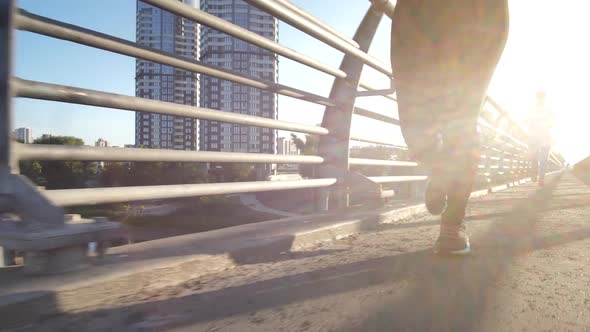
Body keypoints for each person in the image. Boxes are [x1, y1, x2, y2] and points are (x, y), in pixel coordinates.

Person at [390, 0, 510, 255]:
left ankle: (451, 226)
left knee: (463, 120)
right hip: (418, 12)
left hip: (480, 14)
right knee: (413, 114)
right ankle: (439, 169)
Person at [527, 91, 553, 186]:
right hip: (538, 136)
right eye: (539, 97)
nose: (540, 99)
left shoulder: (545, 110)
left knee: (542, 158)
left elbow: (552, 122)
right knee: (537, 157)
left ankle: (540, 177)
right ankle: (537, 174)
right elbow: (527, 121)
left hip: (541, 136)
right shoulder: (532, 109)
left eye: (541, 97)